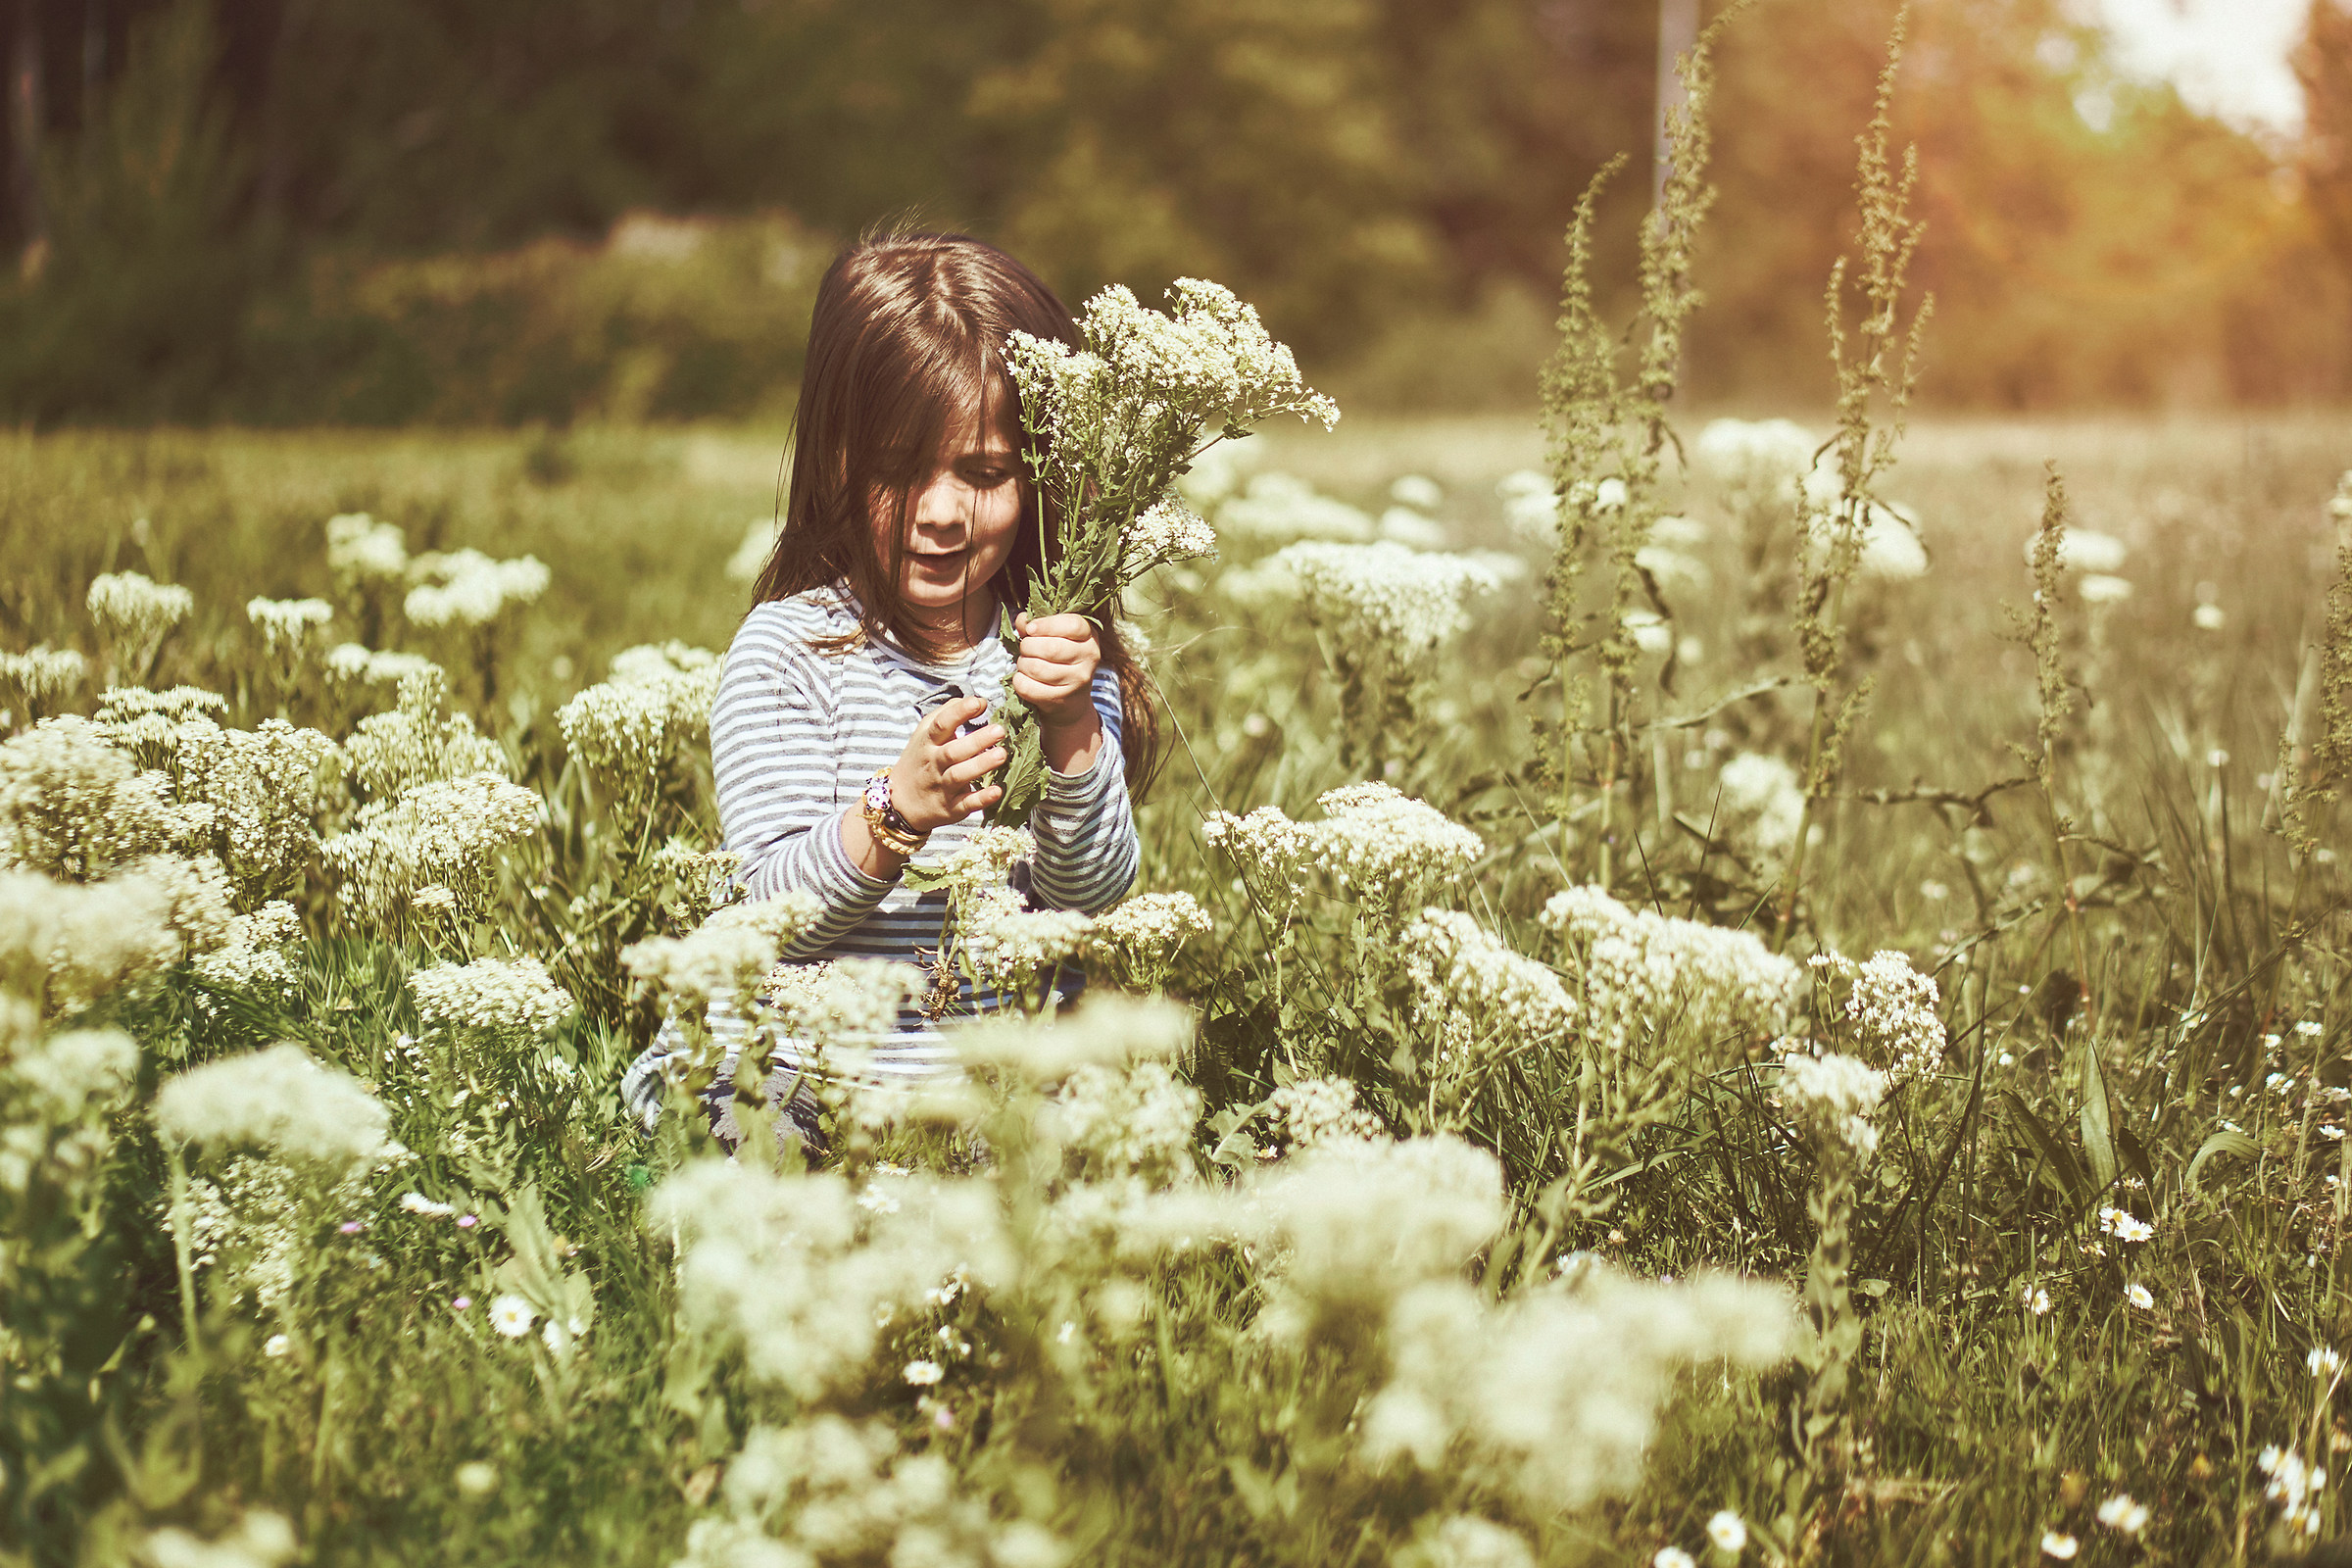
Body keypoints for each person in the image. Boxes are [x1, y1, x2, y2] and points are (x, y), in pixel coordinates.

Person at [619, 228, 1150, 1153]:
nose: (943, 512)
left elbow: (1087, 899)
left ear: (1038, 478)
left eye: (984, 474)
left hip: (978, 1085)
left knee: (1105, 1130)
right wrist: (895, 815)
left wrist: (1070, 730)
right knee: (760, 1144)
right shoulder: (787, 652)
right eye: (900, 472)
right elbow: (770, 913)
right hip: (799, 1071)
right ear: (835, 461)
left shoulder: (1058, 647)